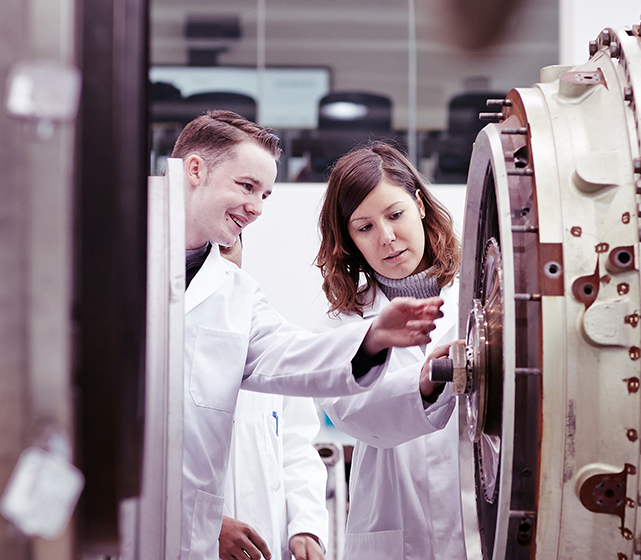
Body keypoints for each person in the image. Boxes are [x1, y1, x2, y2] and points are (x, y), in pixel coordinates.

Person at [172, 110, 445, 560]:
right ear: (196, 170)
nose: (258, 207)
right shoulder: (107, 261)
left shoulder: (236, 295)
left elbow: (293, 356)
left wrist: (372, 339)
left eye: (265, 194)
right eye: (247, 187)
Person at [316, 142, 466, 560]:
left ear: (419, 204)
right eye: (364, 228)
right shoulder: (345, 323)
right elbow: (354, 414)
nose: (386, 238)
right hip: (394, 533)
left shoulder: (483, 297)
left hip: (474, 521)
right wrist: (421, 384)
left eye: (395, 214)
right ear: (350, 241)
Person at [218, 239, 328, 560]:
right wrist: (208, 526)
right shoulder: (157, 342)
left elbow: (296, 448)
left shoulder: (273, 341)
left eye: (226, 247)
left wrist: (305, 527)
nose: (218, 262)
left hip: (268, 547)